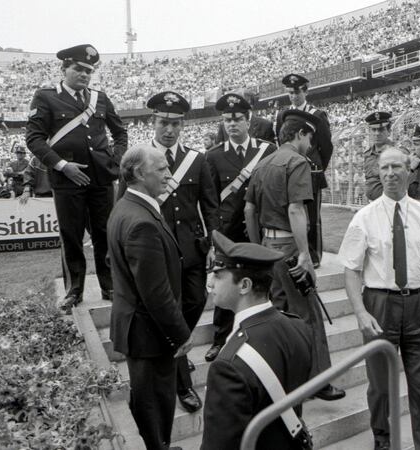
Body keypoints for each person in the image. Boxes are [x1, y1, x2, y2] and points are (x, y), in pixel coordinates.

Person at [338, 148, 420, 450]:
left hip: (419, 306)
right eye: (384, 168)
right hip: (380, 305)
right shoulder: (365, 218)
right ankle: (383, 440)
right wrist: (360, 313)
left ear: (408, 171)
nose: (389, 174)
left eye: (396, 166)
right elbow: (350, 271)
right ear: (378, 173)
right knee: (380, 386)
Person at [245, 109, 345, 401]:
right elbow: (295, 209)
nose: (310, 146)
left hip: (267, 246)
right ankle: (319, 381)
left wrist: (257, 249)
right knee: (309, 315)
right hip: (290, 248)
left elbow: (249, 210)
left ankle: (279, 381)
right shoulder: (297, 162)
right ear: (300, 134)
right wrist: (304, 253)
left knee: (275, 314)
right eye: (309, 138)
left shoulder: (262, 164)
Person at [25, 44, 128, 313]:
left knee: (105, 233)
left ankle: (109, 286)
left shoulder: (100, 98)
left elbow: (120, 133)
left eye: (89, 71)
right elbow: (34, 139)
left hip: (101, 178)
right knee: (71, 234)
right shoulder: (46, 97)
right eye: (78, 69)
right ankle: (74, 289)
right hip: (67, 179)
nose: (84, 75)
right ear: (64, 68)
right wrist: (61, 165)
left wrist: (115, 160)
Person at [108, 144, 194, 450]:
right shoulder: (141, 220)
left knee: (151, 401)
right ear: (138, 173)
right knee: (154, 403)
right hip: (149, 331)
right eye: (161, 169)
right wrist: (180, 333)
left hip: (142, 328)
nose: (169, 175)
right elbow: (155, 292)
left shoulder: (128, 207)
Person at [201, 231, 313, 450]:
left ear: (244, 285)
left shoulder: (228, 366)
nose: (210, 283)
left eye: (218, 275)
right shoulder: (298, 327)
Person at [145, 91, 221, 413]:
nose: (170, 130)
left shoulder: (197, 159)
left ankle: (177, 347)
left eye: (175, 123)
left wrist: (214, 243)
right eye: (164, 122)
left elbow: (211, 205)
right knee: (171, 308)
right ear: (154, 121)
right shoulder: (139, 158)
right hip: (158, 251)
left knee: (196, 301)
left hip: (191, 250)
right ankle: (182, 384)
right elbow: (125, 205)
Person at [204, 93, 276, 362]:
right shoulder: (213, 156)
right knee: (225, 285)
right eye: (226, 120)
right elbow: (211, 201)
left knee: (261, 284)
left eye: (236, 119)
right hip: (228, 233)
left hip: (258, 229)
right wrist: (213, 235)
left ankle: (259, 336)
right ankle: (219, 338)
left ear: (248, 121)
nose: (231, 124)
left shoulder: (267, 150)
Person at [276, 73, 334, 267]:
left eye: (296, 92)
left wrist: (317, 168)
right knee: (293, 211)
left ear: (305, 91)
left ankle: (314, 255)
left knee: (312, 216)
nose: (293, 96)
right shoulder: (282, 116)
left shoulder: (317, 115)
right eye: (290, 93)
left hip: (312, 172)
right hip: (291, 170)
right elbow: (281, 142)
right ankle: (297, 251)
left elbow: (326, 146)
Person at [362, 111, 406, 201]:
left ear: (389, 131)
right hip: (372, 204)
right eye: (374, 130)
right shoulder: (368, 154)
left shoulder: (398, 152)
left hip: (391, 202)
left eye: (381, 129)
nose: (377, 133)